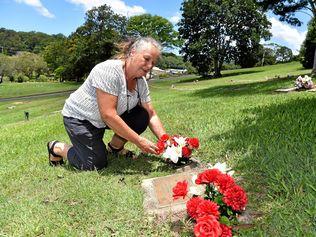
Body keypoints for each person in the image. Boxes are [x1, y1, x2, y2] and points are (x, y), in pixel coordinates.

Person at [47, 37, 166, 171]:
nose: (150, 66)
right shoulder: (108, 71)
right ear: (132, 52)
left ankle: (114, 148)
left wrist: (167, 141)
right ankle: (56, 147)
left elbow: (151, 114)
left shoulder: (141, 82)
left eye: (153, 62)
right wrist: (139, 141)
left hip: (104, 120)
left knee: (141, 116)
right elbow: (108, 114)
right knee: (94, 164)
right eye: (146, 58)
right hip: (81, 119)